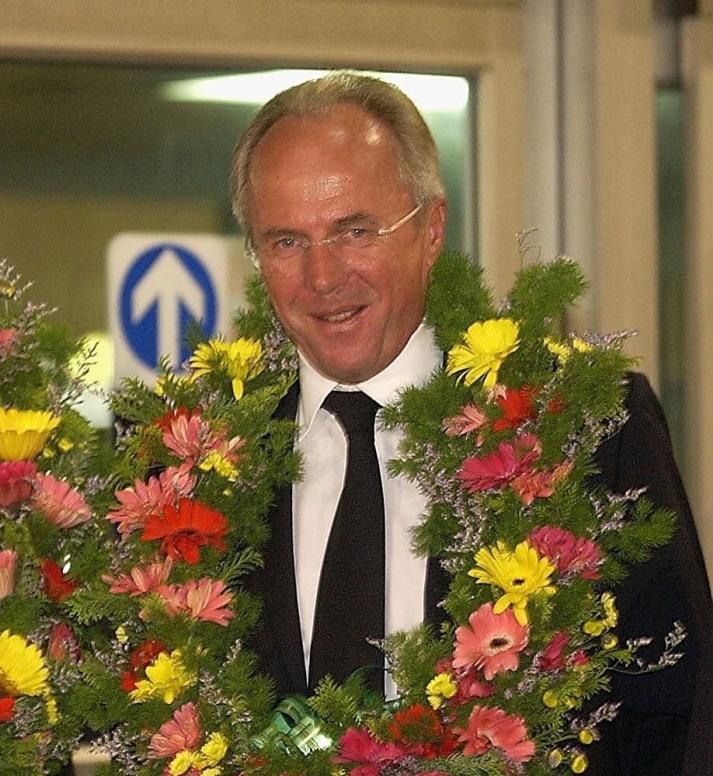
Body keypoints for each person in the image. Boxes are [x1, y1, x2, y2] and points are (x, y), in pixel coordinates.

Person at [234, 71, 713, 774]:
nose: (322, 276)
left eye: (354, 230)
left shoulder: (582, 430)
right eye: (284, 242)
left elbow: (680, 720)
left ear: (430, 229)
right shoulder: (202, 475)